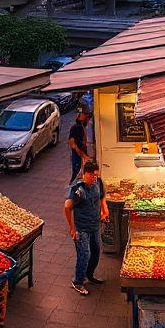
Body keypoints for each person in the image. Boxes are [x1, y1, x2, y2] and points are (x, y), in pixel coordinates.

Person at [64, 160, 107, 296]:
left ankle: (90, 275)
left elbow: (101, 197)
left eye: (96, 175)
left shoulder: (98, 183)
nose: (94, 178)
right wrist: (72, 228)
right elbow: (67, 207)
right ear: (85, 174)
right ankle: (78, 282)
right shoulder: (78, 190)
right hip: (82, 229)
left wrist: (104, 211)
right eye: (92, 175)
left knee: (95, 252)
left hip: (95, 226)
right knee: (84, 255)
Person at [68, 111, 91, 183]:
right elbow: (72, 143)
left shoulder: (82, 127)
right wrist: (82, 155)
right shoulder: (76, 128)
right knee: (76, 175)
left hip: (80, 155)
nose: (88, 120)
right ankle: (72, 191)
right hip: (77, 156)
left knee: (81, 174)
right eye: (86, 118)